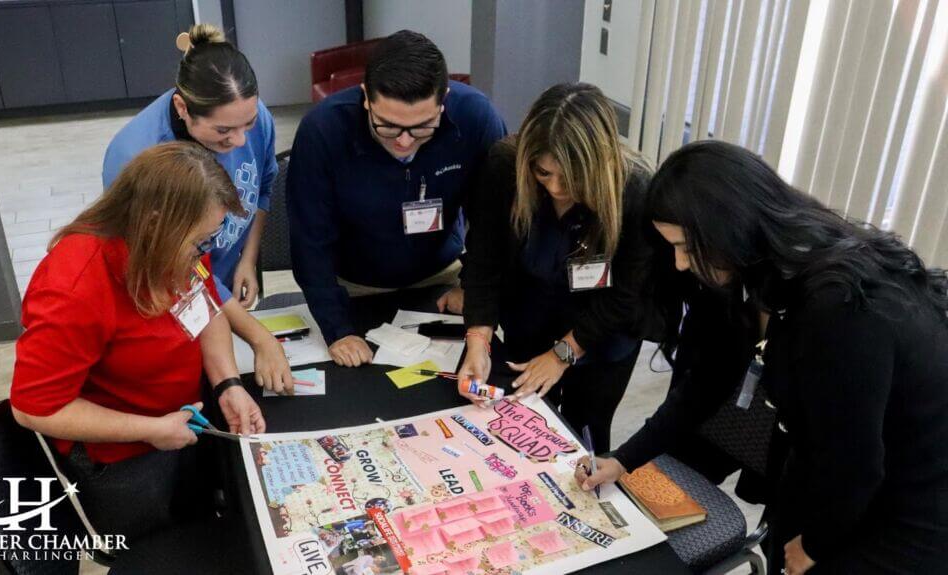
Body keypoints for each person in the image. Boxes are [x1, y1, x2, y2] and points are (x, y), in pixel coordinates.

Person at [575, 141, 948, 574]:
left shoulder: (841, 309)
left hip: (907, 510)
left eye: (685, 246)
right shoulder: (746, 272)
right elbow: (705, 384)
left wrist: (815, 545)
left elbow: (855, 466)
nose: (679, 264)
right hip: (823, 474)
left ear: (726, 226)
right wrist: (624, 458)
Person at [12, 142, 266, 542]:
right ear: (153, 224)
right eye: (200, 242)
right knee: (161, 547)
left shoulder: (176, 245)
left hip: (178, 422)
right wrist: (150, 429)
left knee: (205, 526)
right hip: (125, 459)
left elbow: (207, 308)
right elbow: (34, 409)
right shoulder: (73, 288)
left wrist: (228, 383)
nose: (205, 252)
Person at [456, 83, 665, 453]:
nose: (555, 188)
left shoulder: (635, 190)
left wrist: (564, 354)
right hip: (529, 318)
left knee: (585, 435)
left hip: (604, 334)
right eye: (543, 173)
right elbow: (483, 260)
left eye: (571, 178)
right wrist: (478, 339)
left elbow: (625, 296)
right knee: (522, 430)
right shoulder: (505, 167)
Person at [287, 30, 506, 366]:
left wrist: (471, 287)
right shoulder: (323, 130)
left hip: (441, 277)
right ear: (365, 97)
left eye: (422, 127)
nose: (404, 142)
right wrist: (337, 328)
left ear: (443, 99)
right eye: (387, 126)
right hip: (355, 285)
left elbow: (494, 222)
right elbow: (309, 241)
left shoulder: (476, 119)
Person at [103, 24, 293, 393]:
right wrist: (259, 338)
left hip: (220, 286)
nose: (240, 139)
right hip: (174, 296)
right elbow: (177, 268)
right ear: (182, 108)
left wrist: (247, 260)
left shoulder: (247, 116)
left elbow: (264, 187)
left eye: (248, 125)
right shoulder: (139, 158)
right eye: (223, 132)